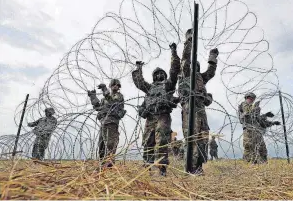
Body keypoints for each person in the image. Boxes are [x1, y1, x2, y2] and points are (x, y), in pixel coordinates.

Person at [132, 43, 180, 176]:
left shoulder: (168, 86)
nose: (159, 75)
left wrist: (173, 53)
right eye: (156, 74)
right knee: (148, 142)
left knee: (161, 142)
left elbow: (174, 71)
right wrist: (138, 68)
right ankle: (147, 167)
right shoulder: (150, 89)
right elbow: (139, 82)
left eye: (161, 73)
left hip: (162, 116)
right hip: (150, 117)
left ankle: (162, 169)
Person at [178, 28, 218, 174]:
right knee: (191, 138)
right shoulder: (186, 75)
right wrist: (189, 41)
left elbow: (211, 72)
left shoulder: (201, 78)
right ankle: (190, 169)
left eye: (197, 66)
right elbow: (185, 61)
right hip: (189, 110)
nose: (194, 68)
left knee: (202, 139)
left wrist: (213, 57)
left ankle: (199, 168)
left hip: (201, 110)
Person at [87, 79, 126, 168]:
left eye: (117, 84)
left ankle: (109, 165)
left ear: (119, 87)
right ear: (110, 86)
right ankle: (102, 164)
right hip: (104, 122)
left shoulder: (119, 96)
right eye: (113, 84)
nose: (115, 86)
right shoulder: (104, 99)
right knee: (101, 144)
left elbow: (112, 102)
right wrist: (93, 97)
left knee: (110, 144)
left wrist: (104, 89)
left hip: (112, 123)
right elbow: (98, 107)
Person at [238, 92, 280, 164]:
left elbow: (259, 120)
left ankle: (262, 164)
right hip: (249, 131)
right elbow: (247, 114)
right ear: (247, 98)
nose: (251, 100)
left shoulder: (252, 107)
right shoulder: (244, 104)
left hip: (257, 131)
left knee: (262, 149)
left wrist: (270, 120)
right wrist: (255, 108)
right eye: (250, 98)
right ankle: (249, 165)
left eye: (252, 99)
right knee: (250, 149)